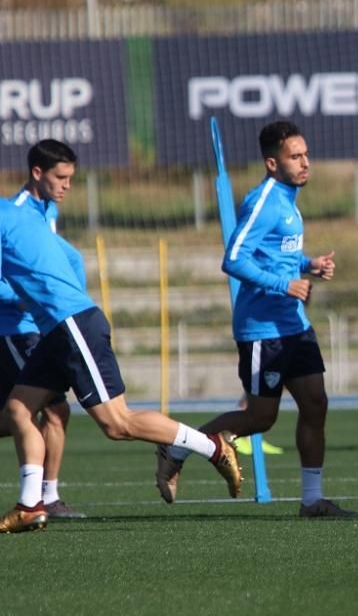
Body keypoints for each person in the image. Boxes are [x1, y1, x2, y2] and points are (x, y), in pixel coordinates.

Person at [0, 198, 241, 534]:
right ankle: (30, 506)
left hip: (70, 324)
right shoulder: (20, 214)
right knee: (17, 411)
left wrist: (64, 300)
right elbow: (72, 257)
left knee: (117, 423)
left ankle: (212, 446)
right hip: (60, 326)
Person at [155, 121, 353, 518]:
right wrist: (285, 284)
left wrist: (307, 264)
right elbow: (233, 260)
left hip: (294, 325)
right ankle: (175, 447)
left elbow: (274, 254)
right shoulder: (264, 200)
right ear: (272, 163)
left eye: (306, 154)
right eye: (295, 157)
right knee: (261, 417)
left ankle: (312, 500)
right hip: (263, 329)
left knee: (316, 403)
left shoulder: (289, 200)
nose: (305, 163)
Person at [0, 140, 88, 520]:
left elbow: (63, 264)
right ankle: (40, 501)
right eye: (60, 177)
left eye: (71, 177)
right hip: (17, 328)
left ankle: (45, 497)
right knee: (47, 410)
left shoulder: (47, 212)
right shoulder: (13, 214)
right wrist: (21, 296)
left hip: (44, 325)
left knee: (43, 412)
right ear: (37, 173)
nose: (67, 185)